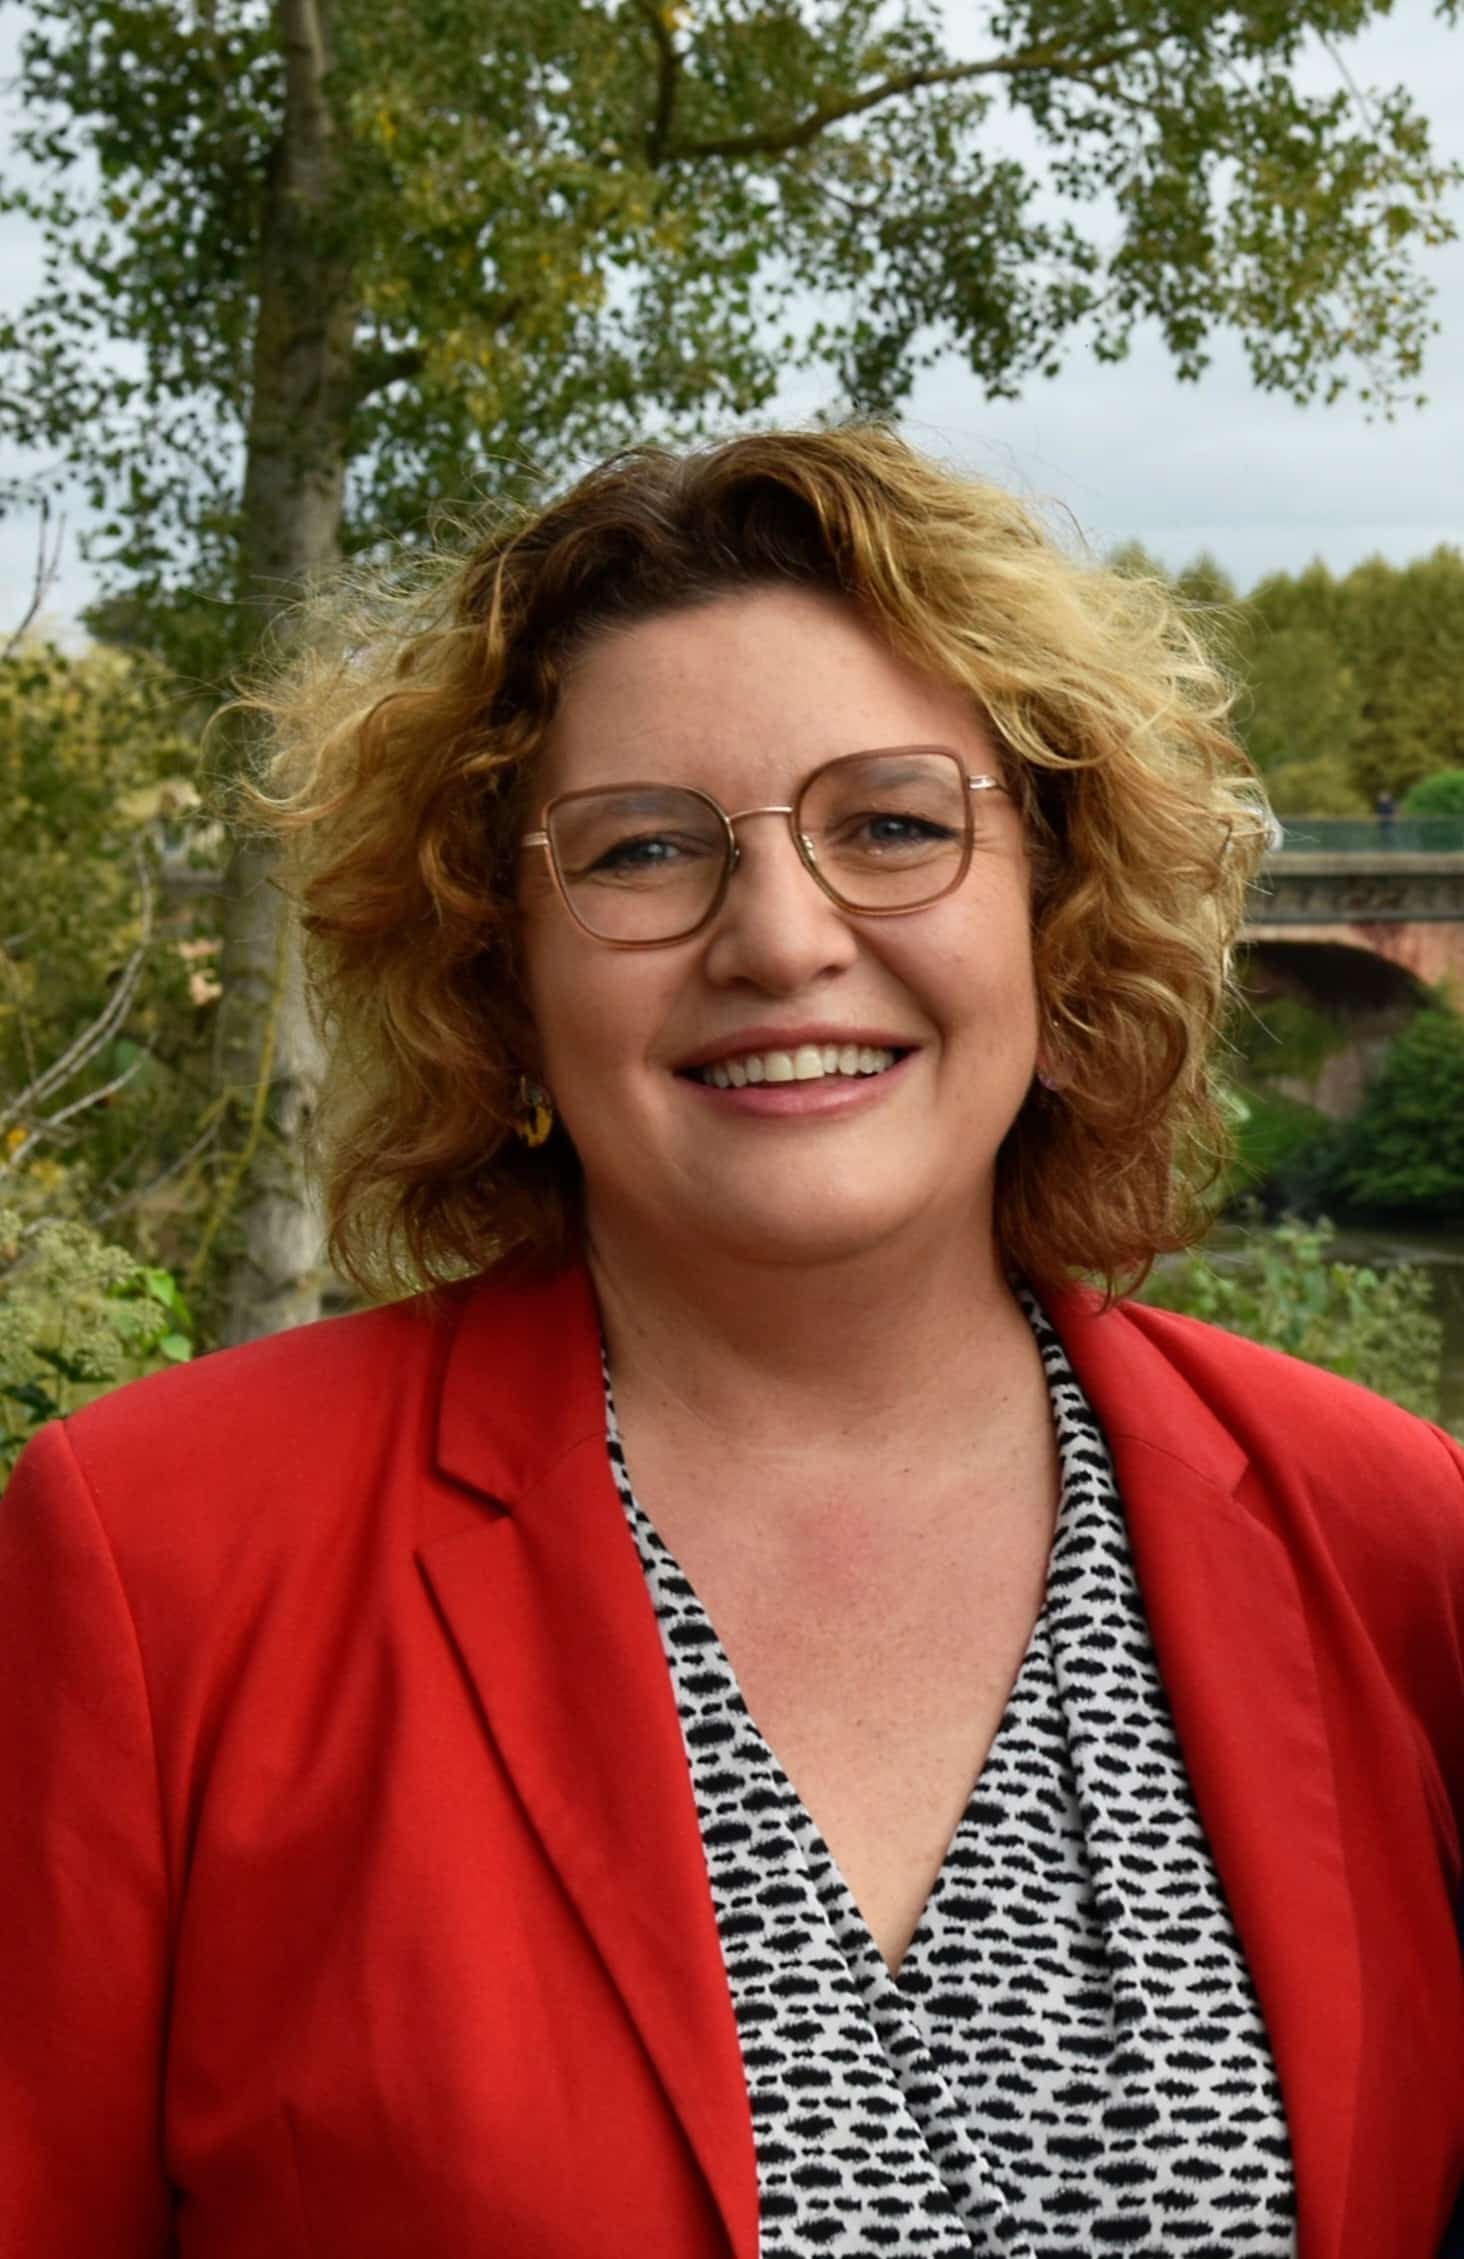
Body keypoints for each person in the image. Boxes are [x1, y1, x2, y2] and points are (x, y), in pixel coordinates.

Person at [3, 427, 1463, 2259]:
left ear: (1056, 912)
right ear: (503, 972)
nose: (779, 937)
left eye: (895, 826)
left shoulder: (1396, 1541)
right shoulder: (165, 1564)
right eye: (642, 850)